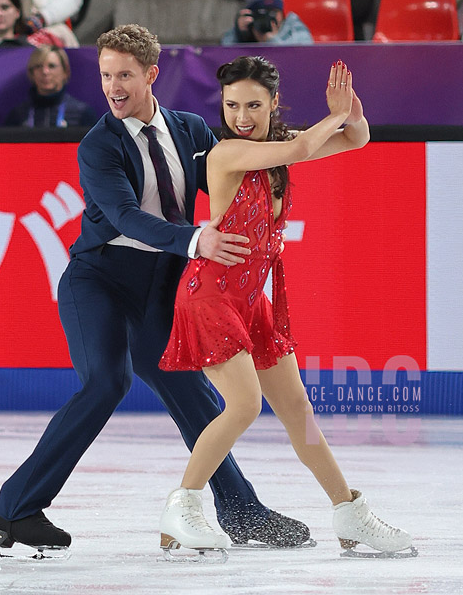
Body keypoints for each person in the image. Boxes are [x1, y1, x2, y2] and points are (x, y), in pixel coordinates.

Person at [0, 24, 313, 558]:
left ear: (151, 75)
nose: (113, 86)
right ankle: (15, 508)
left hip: (163, 283)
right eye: (105, 75)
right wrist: (196, 238)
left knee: (194, 394)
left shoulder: (188, 130)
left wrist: (292, 161)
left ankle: (241, 509)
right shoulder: (99, 145)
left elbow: (233, 177)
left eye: (124, 75)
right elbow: (124, 217)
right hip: (100, 280)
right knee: (105, 383)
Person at [158, 55, 416, 559]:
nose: (242, 116)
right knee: (245, 404)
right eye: (232, 105)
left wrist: (353, 116)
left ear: (273, 103)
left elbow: (354, 141)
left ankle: (350, 513)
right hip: (211, 298)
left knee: (298, 412)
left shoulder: (275, 153)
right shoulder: (227, 153)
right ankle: (182, 505)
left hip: (254, 302)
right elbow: (303, 143)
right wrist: (332, 116)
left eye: (254, 104)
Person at [5, 45, 97, 127]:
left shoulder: (82, 113)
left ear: (65, 72)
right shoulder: (18, 115)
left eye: (52, 66)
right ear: (32, 73)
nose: (45, 72)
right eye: (38, 66)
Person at [221, 0, 313, 45]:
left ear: (282, 13)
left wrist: (272, 41)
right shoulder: (245, 29)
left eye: (273, 12)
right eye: (262, 12)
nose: (268, 17)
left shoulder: (293, 27)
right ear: (252, 14)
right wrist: (241, 35)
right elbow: (222, 57)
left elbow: (303, 55)